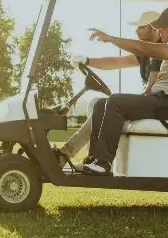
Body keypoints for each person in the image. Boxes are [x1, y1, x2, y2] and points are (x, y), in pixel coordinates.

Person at [83, 6, 168, 175]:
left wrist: (111, 38)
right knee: (100, 104)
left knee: (115, 101)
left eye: (163, 27)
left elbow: (142, 48)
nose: (159, 31)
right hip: (162, 101)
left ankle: (104, 163)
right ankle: (94, 159)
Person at [53, 11, 162, 171]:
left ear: (154, 28)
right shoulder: (146, 53)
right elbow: (116, 61)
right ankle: (90, 158)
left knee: (112, 102)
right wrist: (87, 60)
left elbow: (151, 89)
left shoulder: (160, 51)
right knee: (97, 104)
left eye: (141, 27)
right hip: (148, 101)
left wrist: (130, 103)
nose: (136, 31)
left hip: (155, 104)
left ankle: (69, 155)